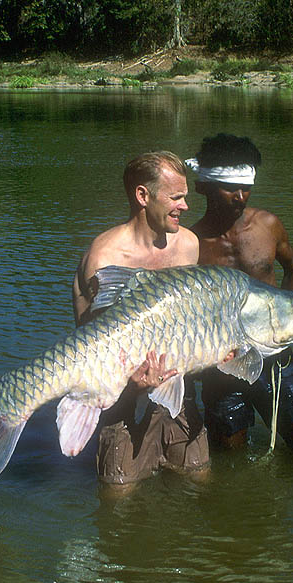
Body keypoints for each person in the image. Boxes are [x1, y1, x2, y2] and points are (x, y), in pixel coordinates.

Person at [72, 151, 209, 490]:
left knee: (201, 478)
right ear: (142, 196)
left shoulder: (188, 245)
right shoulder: (105, 257)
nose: (185, 207)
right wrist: (133, 384)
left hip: (177, 387)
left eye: (185, 197)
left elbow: (190, 323)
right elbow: (97, 348)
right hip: (121, 396)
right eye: (176, 197)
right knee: (118, 495)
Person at [188, 133, 293, 459]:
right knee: (231, 464)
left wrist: (286, 314)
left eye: (246, 187)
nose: (240, 196)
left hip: (277, 363)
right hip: (222, 371)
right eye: (229, 188)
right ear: (204, 187)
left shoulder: (268, 225)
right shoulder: (190, 243)